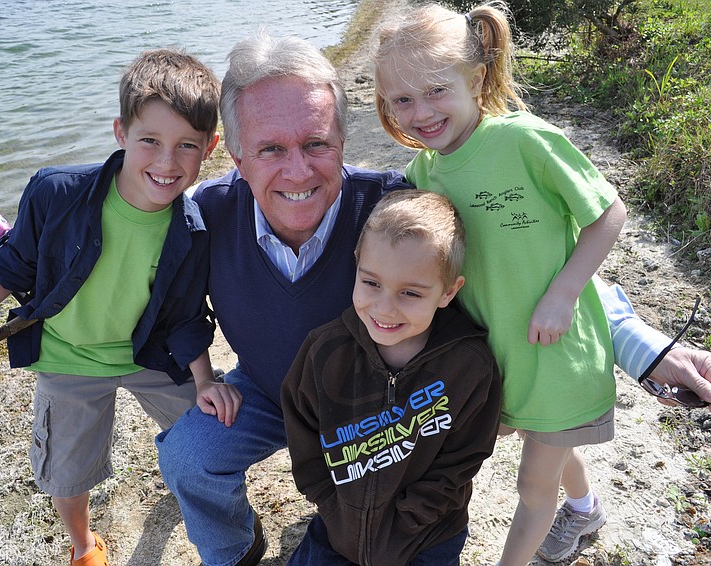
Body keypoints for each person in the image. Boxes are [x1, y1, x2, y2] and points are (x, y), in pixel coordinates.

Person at [369, 2, 681, 563]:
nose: (422, 112)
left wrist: (563, 293)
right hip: (500, 355)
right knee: (549, 442)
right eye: (403, 100)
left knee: (533, 490)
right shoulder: (423, 173)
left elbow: (607, 212)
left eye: (436, 89)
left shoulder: (524, 142)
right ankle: (587, 510)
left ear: (477, 76)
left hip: (558, 354)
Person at [0, 49, 233, 566]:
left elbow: (184, 315)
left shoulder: (193, 228)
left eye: (186, 146)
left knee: (210, 442)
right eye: (149, 140)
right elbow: (9, 268)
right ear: (119, 132)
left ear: (210, 147)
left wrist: (203, 381)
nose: (166, 162)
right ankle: (84, 546)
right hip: (67, 358)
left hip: (149, 353)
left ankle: (195, 496)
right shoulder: (55, 192)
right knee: (65, 477)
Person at [281, 189, 502, 565]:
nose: (384, 307)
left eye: (410, 293)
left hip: (427, 538)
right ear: (357, 267)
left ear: (448, 291)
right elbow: (302, 428)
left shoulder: (470, 366)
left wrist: (410, 518)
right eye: (371, 283)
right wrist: (329, 502)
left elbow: (466, 455)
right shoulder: (325, 351)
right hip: (339, 531)